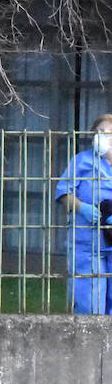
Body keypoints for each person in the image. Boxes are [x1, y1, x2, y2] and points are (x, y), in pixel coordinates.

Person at [54, 115, 112, 314]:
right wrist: (81, 207)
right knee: (90, 303)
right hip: (87, 242)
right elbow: (63, 192)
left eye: (106, 133)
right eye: (97, 133)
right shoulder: (82, 161)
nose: (100, 137)